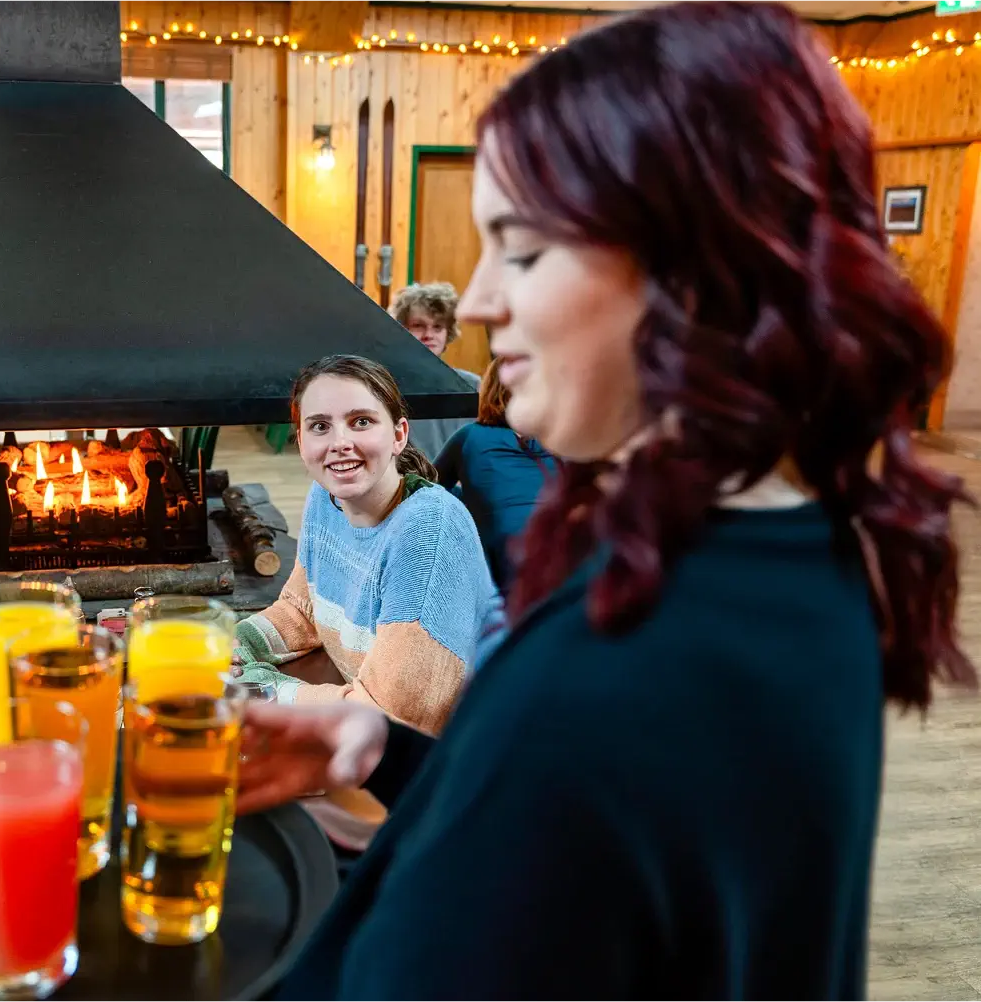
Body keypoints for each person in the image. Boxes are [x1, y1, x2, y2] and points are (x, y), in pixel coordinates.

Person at [238, 5, 975, 1000]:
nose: (478, 300)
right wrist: (384, 751)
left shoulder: (606, 676)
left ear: (692, 274)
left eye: (522, 248)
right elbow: (605, 860)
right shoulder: (813, 558)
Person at [233, 354, 502, 852]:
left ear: (399, 434)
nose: (340, 442)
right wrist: (234, 645)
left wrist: (264, 692)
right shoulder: (326, 500)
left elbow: (388, 722)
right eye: (320, 426)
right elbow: (302, 610)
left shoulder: (428, 530)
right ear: (301, 442)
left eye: (360, 421)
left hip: (460, 776)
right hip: (370, 744)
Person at [434, 357, 554, 592]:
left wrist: (469, 499)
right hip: (565, 549)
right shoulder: (561, 440)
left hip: (505, 561)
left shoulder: (469, 437)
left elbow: (426, 491)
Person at [389, 282, 483, 460]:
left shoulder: (472, 384)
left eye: (438, 327)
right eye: (418, 325)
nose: (429, 335)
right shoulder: (387, 384)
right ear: (402, 329)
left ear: (448, 332)